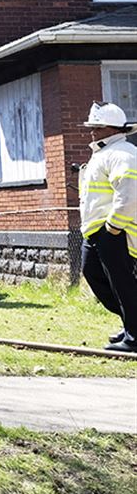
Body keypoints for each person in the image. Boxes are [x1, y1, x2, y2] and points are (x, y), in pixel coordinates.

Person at [77, 102, 137, 353]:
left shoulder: (122, 153)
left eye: (96, 126)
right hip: (95, 232)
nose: (91, 131)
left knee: (123, 283)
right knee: (95, 275)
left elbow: (131, 193)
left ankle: (135, 337)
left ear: (111, 129)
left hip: (115, 232)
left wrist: (113, 228)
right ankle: (130, 324)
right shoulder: (103, 153)